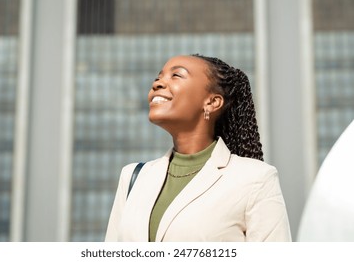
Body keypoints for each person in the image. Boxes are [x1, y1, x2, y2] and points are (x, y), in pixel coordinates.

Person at [105, 54, 291, 242]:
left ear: (212, 103)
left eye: (176, 75)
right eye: (158, 77)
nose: (158, 84)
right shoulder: (133, 177)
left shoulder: (256, 178)